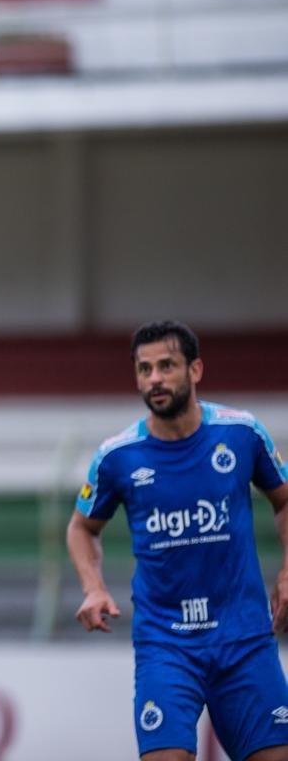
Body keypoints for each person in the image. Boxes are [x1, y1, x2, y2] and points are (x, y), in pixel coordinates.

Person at [67, 320, 288, 761]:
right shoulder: (117, 456)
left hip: (243, 636)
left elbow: (284, 501)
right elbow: (81, 527)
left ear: (196, 370)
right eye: (144, 369)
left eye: (166, 366)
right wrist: (93, 587)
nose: (154, 379)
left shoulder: (241, 433)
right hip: (167, 644)